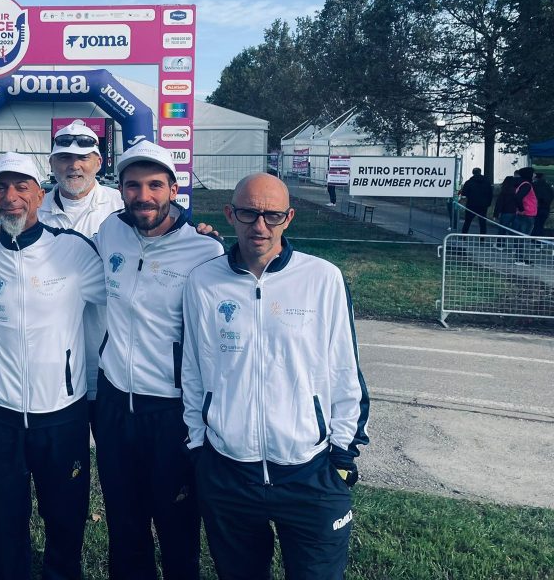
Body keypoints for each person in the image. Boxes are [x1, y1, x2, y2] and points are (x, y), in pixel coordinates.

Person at [182, 173, 370, 580]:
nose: (260, 226)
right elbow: (193, 370)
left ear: (289, 218)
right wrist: (199, 445)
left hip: (309, 470)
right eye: (248, 213)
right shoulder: (203, 281)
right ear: (230, 214)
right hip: (229, 471)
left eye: (272, 215)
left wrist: (342, 455)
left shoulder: (322, 278)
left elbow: (345, 370)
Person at [0, 152, 106, 580]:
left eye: (22, 187)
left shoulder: (73, 250)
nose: (11, 196)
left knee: (66, 513)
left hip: (62, 409)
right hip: (0, 408)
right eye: (0, 188)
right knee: (6, 512)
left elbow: (126, 294)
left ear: (40, 194)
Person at [92, 141, 224, 580]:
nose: (143, 195)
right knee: (123, 521)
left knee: (177, 524)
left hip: (170, 410)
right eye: (133, 185)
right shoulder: (110, 230)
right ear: (121, 190)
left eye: (154, 185)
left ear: (173, 189)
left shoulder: (204, 250)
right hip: (114, 402)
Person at [38, 120, 124, 402]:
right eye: (64, 157)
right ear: (52, 163)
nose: (73, 166)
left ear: (98, 162)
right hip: (50, 362)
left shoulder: (122, 206)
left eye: (83, 158)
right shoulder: (33, 210)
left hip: (112, 360)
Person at [512, 167, 538, 265]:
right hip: (527, 215)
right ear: (529, 174)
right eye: (533, 173)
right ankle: (519, 259)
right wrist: (522, 209)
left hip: (524, 214)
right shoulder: (527, 185)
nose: (535, 175)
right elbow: (518, 197)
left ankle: (519, 257)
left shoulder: (522, 184)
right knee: (523, 237)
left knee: (519, 236)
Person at [458, 167, 492, 234]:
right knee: (482, 223)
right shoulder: (487, 182)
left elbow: (464, 193)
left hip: (471, 205)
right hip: (483, 205)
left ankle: (464, 236)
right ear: (480, 172)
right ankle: (482, 238)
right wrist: (488, 203)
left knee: (467, 222)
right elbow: (490, 194)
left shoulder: (469, 182)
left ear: (473, 173)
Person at [492, 175, 518, 248]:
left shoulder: (504, 192)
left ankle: (500, 245)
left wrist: (495, 214)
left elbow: (499, 204)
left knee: (502, 230)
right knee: (515, 231)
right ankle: (516, 247)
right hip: (516, 212)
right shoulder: (516, 191)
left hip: (506, 212)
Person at [531, 172, 552, 237]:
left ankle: (535, 238)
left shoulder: (534, 185)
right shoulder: (548, 186)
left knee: (536, 224)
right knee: (541, 225)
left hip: (537, 208)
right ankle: (539, 238)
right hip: (546, 208)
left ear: (536, 178)